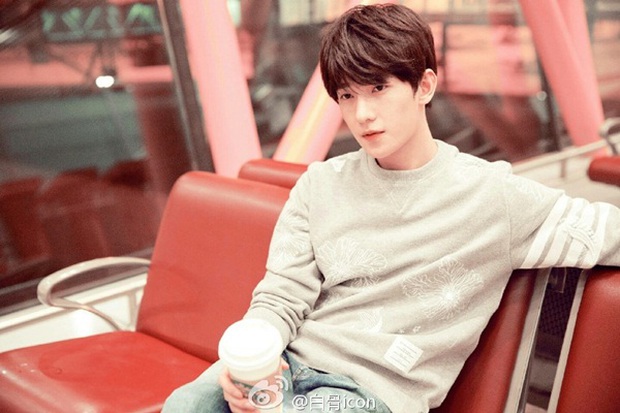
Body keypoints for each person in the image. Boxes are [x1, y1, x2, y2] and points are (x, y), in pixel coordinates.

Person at [162, 4, 620, 413]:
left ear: (425, 86)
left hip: (367, 392)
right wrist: (250, 360)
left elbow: (607, 232)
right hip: (286, 362)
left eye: (378, 88)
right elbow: (282, 296)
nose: (362, 114)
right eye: (347, 95)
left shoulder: (492, 197)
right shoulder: (320, 185)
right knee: (186, 403)